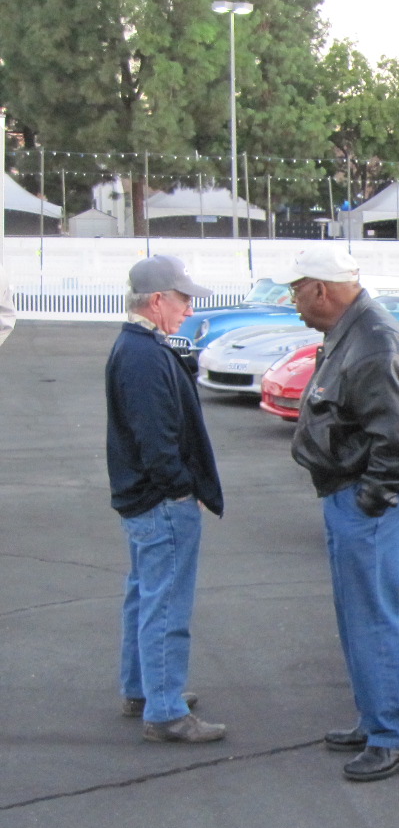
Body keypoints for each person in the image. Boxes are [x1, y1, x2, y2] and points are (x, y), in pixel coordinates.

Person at [283, 244, 399, 782]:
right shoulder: (351, 332)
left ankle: (393, 735)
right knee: (356, 614)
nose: (293, 301)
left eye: (296, 290)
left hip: (369, 498)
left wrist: (371, 501)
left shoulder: (373, 342)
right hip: (351, 492)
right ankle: (375, 719)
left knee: (371, 617)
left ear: (321, 289)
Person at [105, 255, 226, 743]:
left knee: (145, 595)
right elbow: (156, 439)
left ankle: (145, 688)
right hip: (160, 500)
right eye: (183, 298)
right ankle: (165, 710)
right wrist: (181, 488)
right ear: (157, 301)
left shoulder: (137, 347)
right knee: (166, 604)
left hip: (142, 498)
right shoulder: (143, 354)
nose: (189, 307)